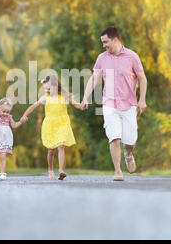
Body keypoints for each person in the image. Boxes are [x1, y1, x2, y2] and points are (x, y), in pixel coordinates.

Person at [80, 26, 147, 181]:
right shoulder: (102, 58)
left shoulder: (132, 57)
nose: (103, 45)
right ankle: (118, 171)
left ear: (115, 39)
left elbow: (142, 78)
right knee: (114, 137)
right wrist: (85, 97)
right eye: (102, 42)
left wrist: (142, 99)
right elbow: (94, 78)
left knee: (130, 141)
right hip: (109, 104)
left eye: (106, 42)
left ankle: (128, 153)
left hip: (129, 105)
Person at [21, 75, 81, 180]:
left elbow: (75, 103)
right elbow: (33, 106)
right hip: (50, 125)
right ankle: (50, 171)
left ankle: (61, 170)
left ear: (55, 86)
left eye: (48, 88)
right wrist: (25, 115)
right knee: (51, 150)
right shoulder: (45, 98)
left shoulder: (63, 96)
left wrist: (81, 106)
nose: (47, 90)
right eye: (45, 88)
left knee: (61, 145)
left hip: (62, 123)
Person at [0, 97, 25, 180]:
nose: (5, 114)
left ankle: (3, 173)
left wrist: (21, 121)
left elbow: (14, 125)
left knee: (2, 156)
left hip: (4, 139)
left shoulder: (9, 118)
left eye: (8, 112)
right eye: (3, 111)